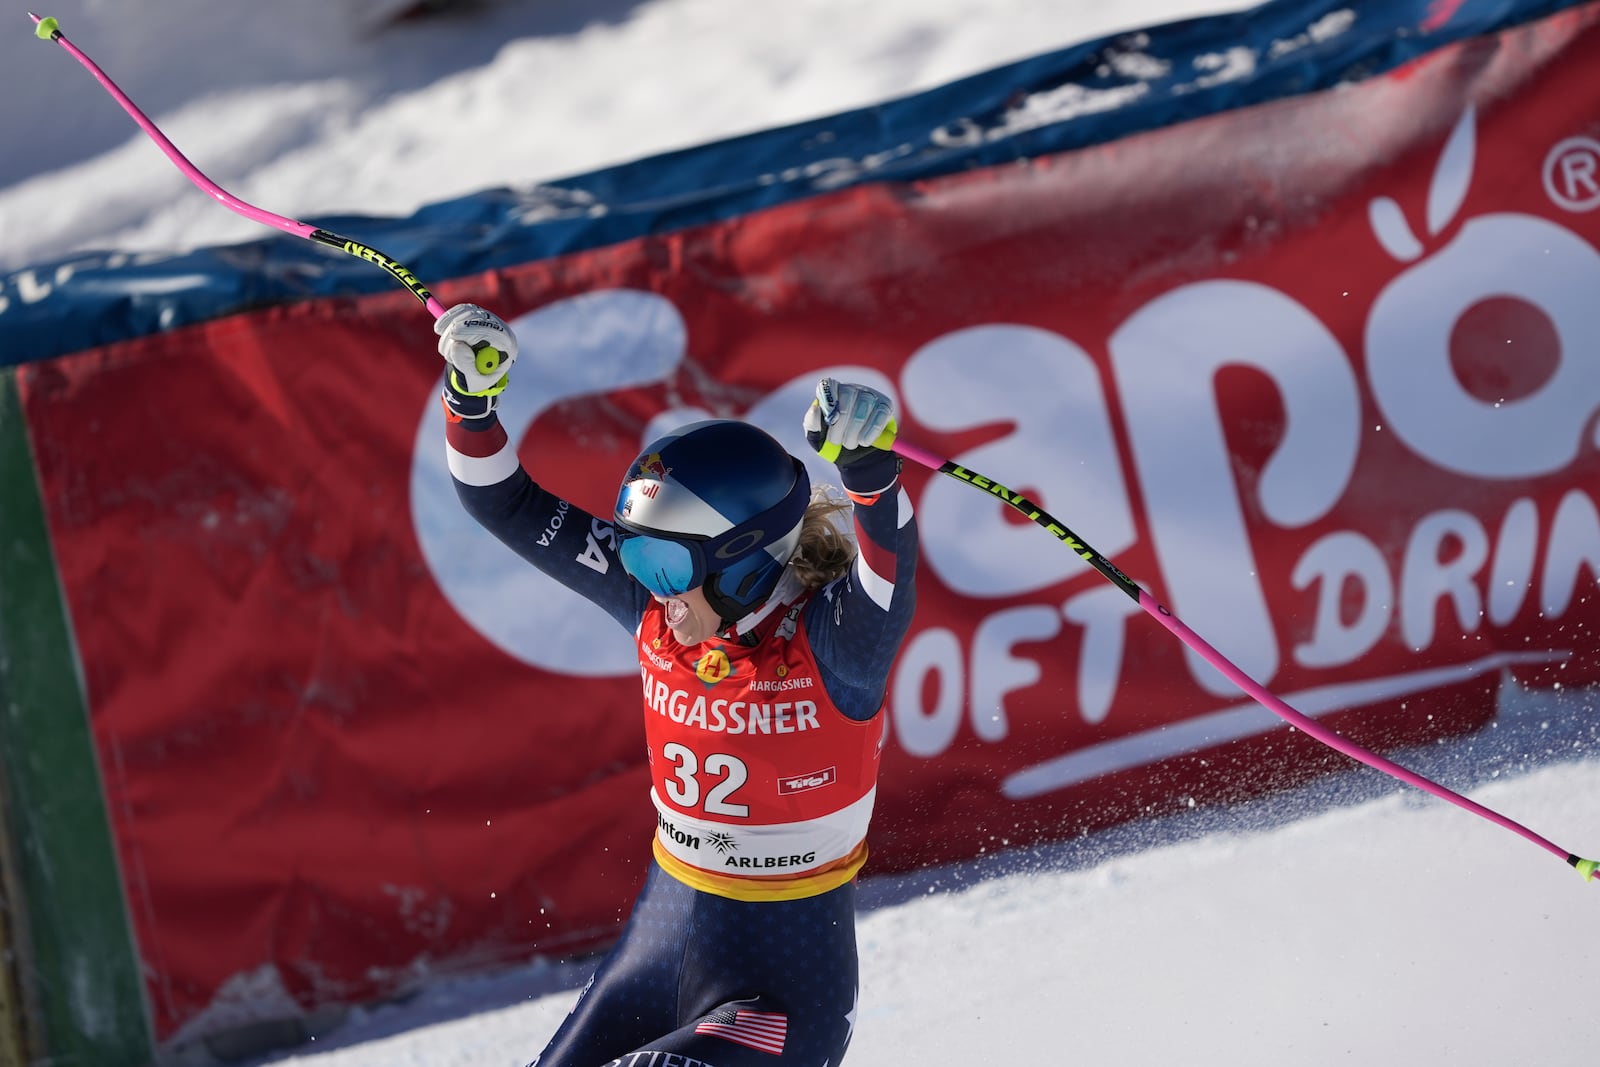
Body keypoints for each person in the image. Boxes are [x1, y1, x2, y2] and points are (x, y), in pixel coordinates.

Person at [432, 302, 919, 1066]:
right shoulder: (656, 609)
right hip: (658, 946)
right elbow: (506, 502)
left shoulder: (833, 644)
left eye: (667, 568)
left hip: (780, 992)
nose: (652, 590)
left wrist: (871, 474)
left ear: (746, 555)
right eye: (636, 559)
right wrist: (470, 400)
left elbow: (890, 577)